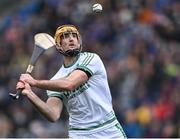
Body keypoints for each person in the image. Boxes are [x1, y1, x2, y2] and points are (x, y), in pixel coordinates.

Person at [16, 24, 127, 138]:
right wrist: (30, 93)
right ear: (58, 45)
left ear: (79, 42)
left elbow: (70, 84)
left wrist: (34, 82)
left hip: (108, 128)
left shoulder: (91, 59)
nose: (71, 39)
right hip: (79, 133)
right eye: (65, 36)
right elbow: (52, 114)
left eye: (74, 36)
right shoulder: (55, 80)